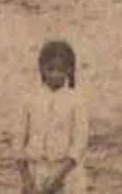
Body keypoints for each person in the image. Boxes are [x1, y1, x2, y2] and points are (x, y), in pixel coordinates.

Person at [16, 41, 89, 194]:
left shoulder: (77, 101)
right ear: (41, 69)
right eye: (50, 69)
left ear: (69, 70)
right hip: (35, 171)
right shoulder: (30, 99)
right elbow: (19, 139)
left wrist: (59, 176)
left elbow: (79, 142)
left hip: (66, 173)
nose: (55, 74)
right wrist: (26, 177)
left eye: (61, 70)